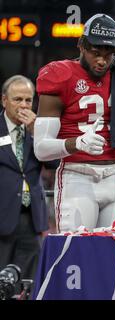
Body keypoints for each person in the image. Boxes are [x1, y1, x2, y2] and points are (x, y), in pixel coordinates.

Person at [33, 13, 115, 232]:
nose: (102, 60)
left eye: (109, 54)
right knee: (77, 254)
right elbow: (41, 149)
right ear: (81, 46)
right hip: (77, 176)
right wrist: (76, 143)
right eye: (96, 53)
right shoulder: (60, 74)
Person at [0, 75, 58, 281]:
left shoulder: (39, 130)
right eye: (18, 99)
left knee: (29, 281)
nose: (24, 105)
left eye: (28, 100)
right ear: (4, 100)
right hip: (2, 216)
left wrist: (38, 134)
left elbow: (54, 164)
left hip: (32, 217)